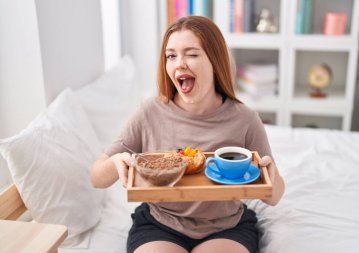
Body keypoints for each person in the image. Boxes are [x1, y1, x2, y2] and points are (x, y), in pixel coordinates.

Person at [90, 16, 285, 253]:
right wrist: (114, 162)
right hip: (159, 224)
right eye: (171, 56)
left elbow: (274, 197)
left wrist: (270, 177)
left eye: (191, 54)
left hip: (227, 227)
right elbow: (96, 178)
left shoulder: (245, 119)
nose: (179, 63)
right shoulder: (149, 113)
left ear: (215, 60)